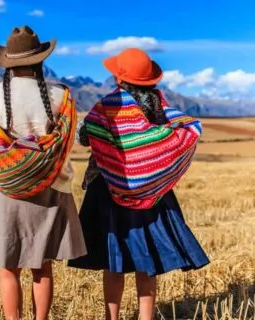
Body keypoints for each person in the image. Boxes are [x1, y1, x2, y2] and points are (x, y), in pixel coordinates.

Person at [68, 48, 210, 320]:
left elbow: (86, 136)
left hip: (108, 190)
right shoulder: (161, 107)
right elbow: (184, 130)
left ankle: (112, 317)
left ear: (119, 78)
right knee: (147, 261)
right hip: (153, 194)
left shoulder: (107, 105)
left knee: (115, 261)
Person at [0, 26, 87, 320]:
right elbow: (68, 141)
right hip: (50, 192)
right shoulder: (61, 96)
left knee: (8, 269)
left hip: (4, 190)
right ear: (40, 60)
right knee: (42, 266)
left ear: (8, 62)